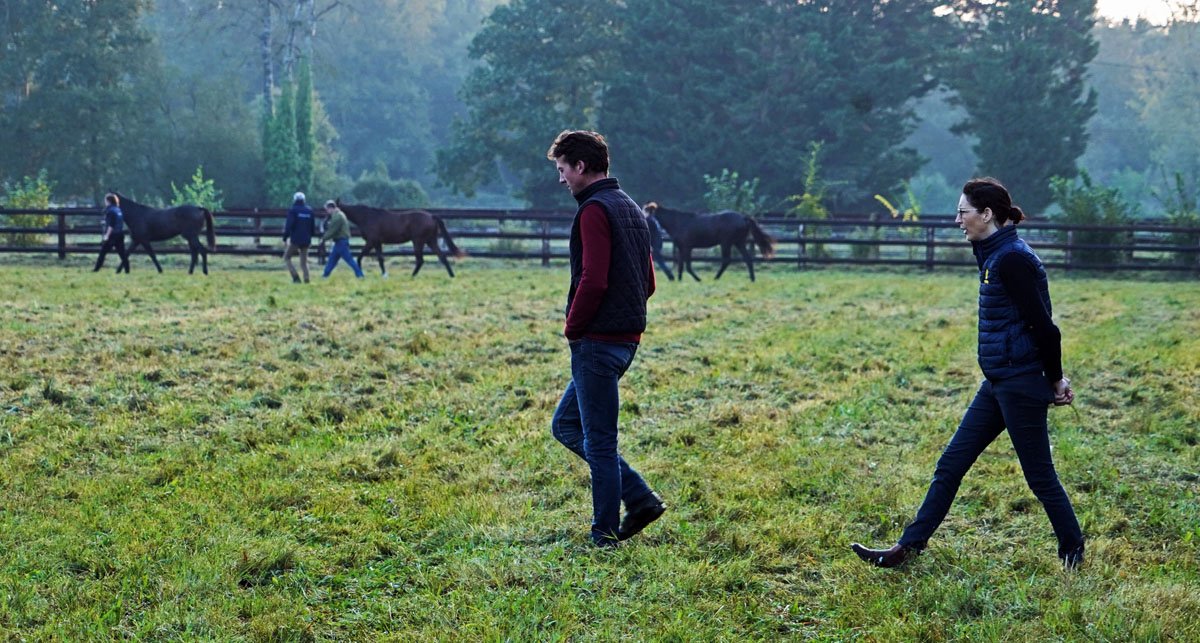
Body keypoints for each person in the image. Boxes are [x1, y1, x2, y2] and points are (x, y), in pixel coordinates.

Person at [851, 177, 1085, 569]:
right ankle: (906, 549)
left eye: (963, 212)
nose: (957, 220)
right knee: (951, 465)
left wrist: (1056, 379)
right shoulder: (994, 253)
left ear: (987, 214)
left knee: (1040, 477)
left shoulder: (1012, 260)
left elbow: (1046, 329)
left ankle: (1072, 550)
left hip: (1020, 383)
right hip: (997, 381)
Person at [546, 129, 665, 547]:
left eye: (563, 169)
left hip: (596, 342)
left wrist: (573, 327)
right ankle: (640, 499)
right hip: (626, 340)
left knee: (598, 441)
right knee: (566, 424)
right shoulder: (630, 207)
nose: (561, 178)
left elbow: (593, 279)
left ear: (580, 166)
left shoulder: (594, 211)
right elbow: (649, 282)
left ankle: (605, 533)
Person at [320, 200, 364, 279]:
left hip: (341, 242)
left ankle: (360, 275)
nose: (326, 211)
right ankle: (325, 275)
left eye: (327, 209)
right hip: (339, 242)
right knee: (332, 260)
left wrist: (323, 239)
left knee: (349, 260)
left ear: (331, 208)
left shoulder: (337, 217)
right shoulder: (339, 214)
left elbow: (332, 230)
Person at [282, 192, 315, 283]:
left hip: (296, 240)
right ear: (304, 200)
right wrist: (310, 237)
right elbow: (312, 227)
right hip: (306, 240)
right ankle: (306, 278)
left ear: (295, 200)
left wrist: (285, 237)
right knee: (304, 262)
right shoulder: (309, 211)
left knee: (287, 257)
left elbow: (289, 225)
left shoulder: (293, 210)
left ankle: (295, 277)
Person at [93, 193, 130, 273]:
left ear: (108, 201)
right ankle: (127, 269)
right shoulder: (118, 210)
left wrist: (107, 236)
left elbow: (111, 225)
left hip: (112, 235)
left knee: (103, 253)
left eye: (105, 201)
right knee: (122, 254)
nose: (105, 202)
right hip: (120, 234)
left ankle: (96, 269)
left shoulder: (110, 211)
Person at [644, 206, 675, 281]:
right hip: (657, 244)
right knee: (656, 261)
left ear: (647, 211)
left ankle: (670, 275)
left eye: (643, 211)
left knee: (659, 261)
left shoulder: (648, 220)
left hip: (653, 245)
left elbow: (650, 234)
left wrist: (650, 245)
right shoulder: (654, 220)